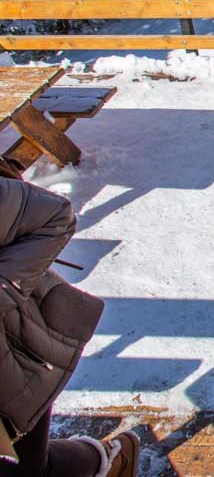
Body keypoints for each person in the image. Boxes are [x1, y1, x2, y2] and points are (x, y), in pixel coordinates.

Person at [0, 176, 139, 477]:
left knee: (29, 470)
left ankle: (108, 460)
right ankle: (110, 462)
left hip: (14, 365)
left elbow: (52, 215)